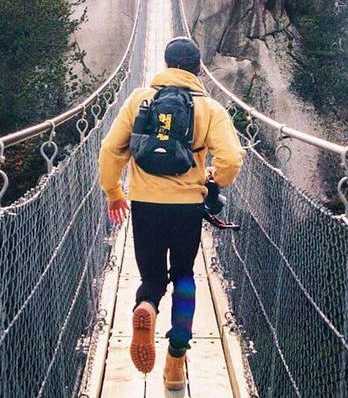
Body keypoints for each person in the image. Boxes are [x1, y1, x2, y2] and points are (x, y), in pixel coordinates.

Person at [98, 37, 243, 389]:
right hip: (186, 209)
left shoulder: (139, 100)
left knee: (152, 277)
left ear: (165, 65)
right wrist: (212, 179)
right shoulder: (210, 109)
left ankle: (146, 304)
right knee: (183, 278)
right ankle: (176, 361)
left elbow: (110, 149)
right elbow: (231, 160)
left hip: (145, 205)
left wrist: (114, 191)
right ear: (198, 68)